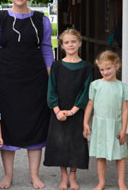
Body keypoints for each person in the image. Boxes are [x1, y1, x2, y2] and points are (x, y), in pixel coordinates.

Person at [0, 0, 53, 189]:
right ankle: (8, 175)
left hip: (35, 79)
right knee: (8, 128)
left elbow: (47, 51)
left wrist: (53, 80)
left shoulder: (42, 20)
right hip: (5, 80)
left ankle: (34, 175)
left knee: (36, 126)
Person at [43, 29, 92, 190]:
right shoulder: (56, 66)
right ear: (62, 46)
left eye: (73, 41)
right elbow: (51, 89)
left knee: (76, 144)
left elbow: (86, 92)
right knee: (60, 144)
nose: (70, 45)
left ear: (79, 43)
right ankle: (63, 178)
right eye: (66, 42)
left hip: (76, 112)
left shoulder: (87, 67)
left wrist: (72, 111)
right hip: (58, 111)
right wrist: (57, 110)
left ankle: (73, 176)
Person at [83, 50, 128, 190]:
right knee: (101, 155)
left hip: (116, 125)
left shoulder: (122, 87)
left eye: (108, 68)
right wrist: (85, 123)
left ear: (117, 66)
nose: (105, 72)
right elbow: (90, 104)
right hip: (100, 126)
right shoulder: (95, 85)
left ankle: (121, 182)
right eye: (102, 69)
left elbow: (125, 110)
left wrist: (124, 129)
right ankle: (101, 182)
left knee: (120, 156)